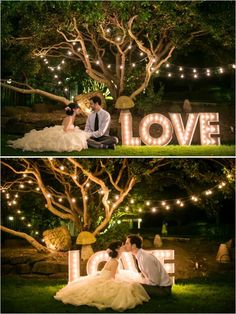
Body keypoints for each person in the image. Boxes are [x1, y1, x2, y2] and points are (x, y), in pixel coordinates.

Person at [54, 241, 150, 311]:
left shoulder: (113, 260)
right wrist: (122, 282)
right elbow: (112, 277)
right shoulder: (115, 261)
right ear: (117, 249)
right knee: (126, 288)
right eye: (121, 246)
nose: (123, 247)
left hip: (103, 276)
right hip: (107, 279)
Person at [8, 103, 90, 152]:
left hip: (62, 129)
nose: (79, 110)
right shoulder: (69, 118)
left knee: (80, 134)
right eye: (78, 108)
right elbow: (65, 129)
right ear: (74, 109)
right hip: (64, 131)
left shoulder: (70, 117)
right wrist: (72, 130)